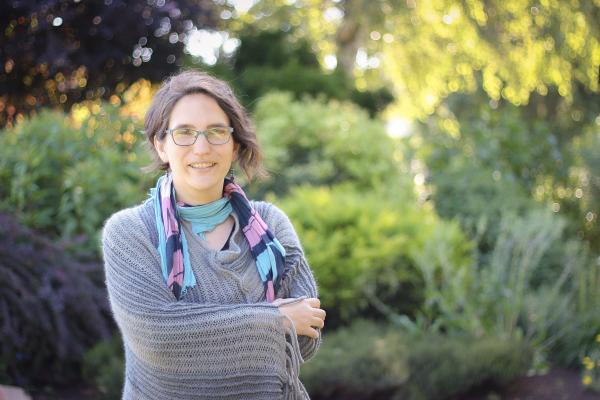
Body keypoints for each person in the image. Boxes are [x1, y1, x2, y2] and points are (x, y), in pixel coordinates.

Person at [101, 70, 325, 400]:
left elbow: (306, 336)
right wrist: (275, 319)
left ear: (234, 146)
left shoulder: (270, 226)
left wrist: (201, 335)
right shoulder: (130, 233)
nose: (202, 147)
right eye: (185, 133)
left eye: (216, 132)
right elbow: (158, 338)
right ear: (161, 146)